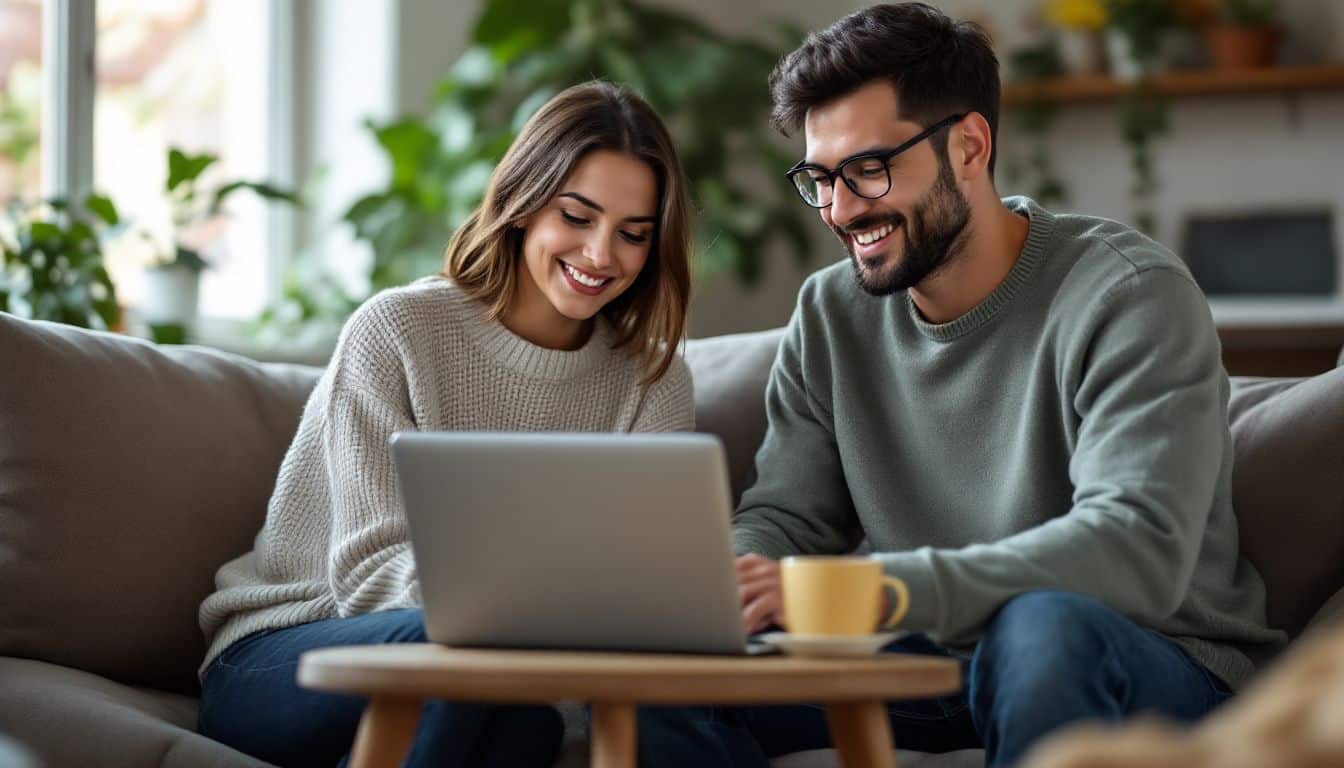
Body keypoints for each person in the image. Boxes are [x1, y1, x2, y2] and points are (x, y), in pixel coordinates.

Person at [638, 4, 1286, 767]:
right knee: (670, 682)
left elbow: (1137, 550)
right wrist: (732, 587)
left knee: (1041, 628)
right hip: (931, 660)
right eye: (820, 178)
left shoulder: (1128, 293)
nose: (841, 210)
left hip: (1149, 656)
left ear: (970, 146)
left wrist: (881, 589)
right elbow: (787, 518)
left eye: (869, 169)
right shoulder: (829, 311)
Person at [196, 80, 695, 768]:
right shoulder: (397, 330)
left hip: (496, 676)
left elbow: (649, 582)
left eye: (633, 234)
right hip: (291, 651)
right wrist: (529, 626)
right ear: (523, 204)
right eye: (576, 217)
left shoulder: (651, 380)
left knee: (526, 733)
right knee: (462, 659)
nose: (601, 255)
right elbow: (367, 571)